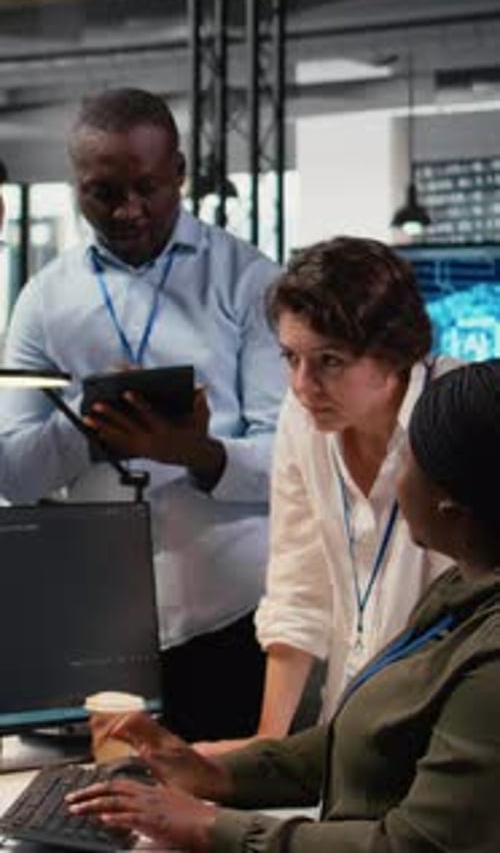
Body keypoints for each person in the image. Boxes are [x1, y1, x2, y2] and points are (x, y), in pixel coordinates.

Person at [67, 358, 500, 852]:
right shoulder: (460, 590)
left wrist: (211, 827)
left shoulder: (492, 660)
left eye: (407, 459)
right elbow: (367, 740)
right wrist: (213, 774)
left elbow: (414, 846)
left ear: (451, 508)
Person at [0, 87, 286, 741]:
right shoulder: (44, 300)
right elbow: (14, 474)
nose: (129, 209)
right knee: (89, 814)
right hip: (90, 625)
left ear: (180, 173)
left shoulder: (249, 282)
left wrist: (197, 453)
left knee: (218, 815)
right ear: (75, 185)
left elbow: (289, 461)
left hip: (229, 621)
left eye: (148, 187)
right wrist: (86, 421)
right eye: (103, 192)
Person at [198, 236, 456, 755]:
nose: (301, 385)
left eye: (329, 361)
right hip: (348, 732)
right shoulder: (303, 421)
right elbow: (297, 585)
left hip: (451, 733)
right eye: (290, 357)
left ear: (392, 351)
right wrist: (267, 745)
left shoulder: (458, 415)